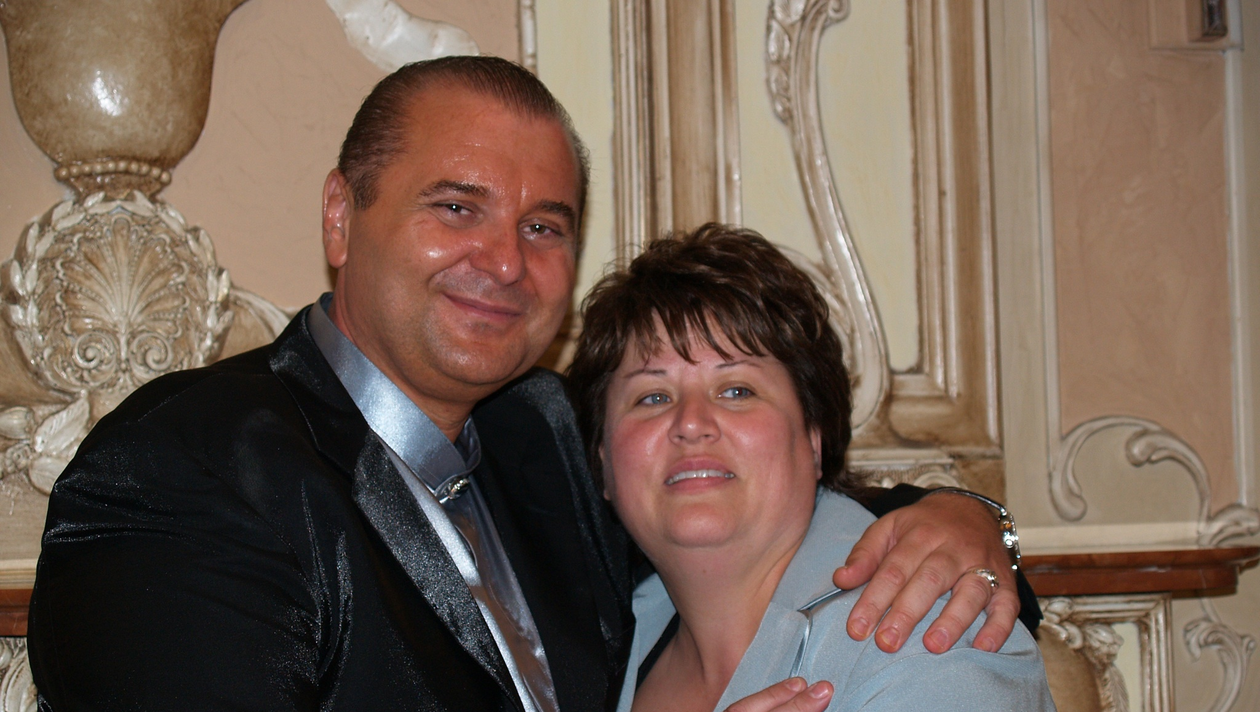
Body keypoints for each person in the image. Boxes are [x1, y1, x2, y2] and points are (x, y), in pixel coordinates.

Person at [28, 57, 1028, 712]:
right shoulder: (188, 472)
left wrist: (965, 518)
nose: (504, 261)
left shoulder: (536, 437)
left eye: (542, 225)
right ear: (341, 216)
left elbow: (734, 514)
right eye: (456, 207)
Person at [566, 224, 1055, 711]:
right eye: (652, 397)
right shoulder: (591, 647)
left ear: (814, 437)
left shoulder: (935, 639)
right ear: (603, 461)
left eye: (737, 390)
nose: (691, 423)